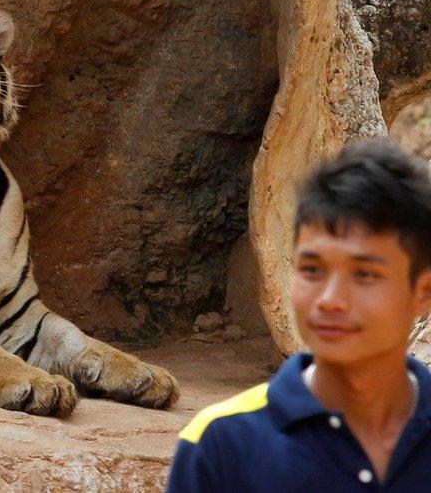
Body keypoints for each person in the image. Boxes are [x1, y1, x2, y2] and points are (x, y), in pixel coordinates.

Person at [167, 139, 431, 491]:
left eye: (364, 275)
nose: (330, 300)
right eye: (312, 270)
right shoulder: (222, 443)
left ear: (423, 293)